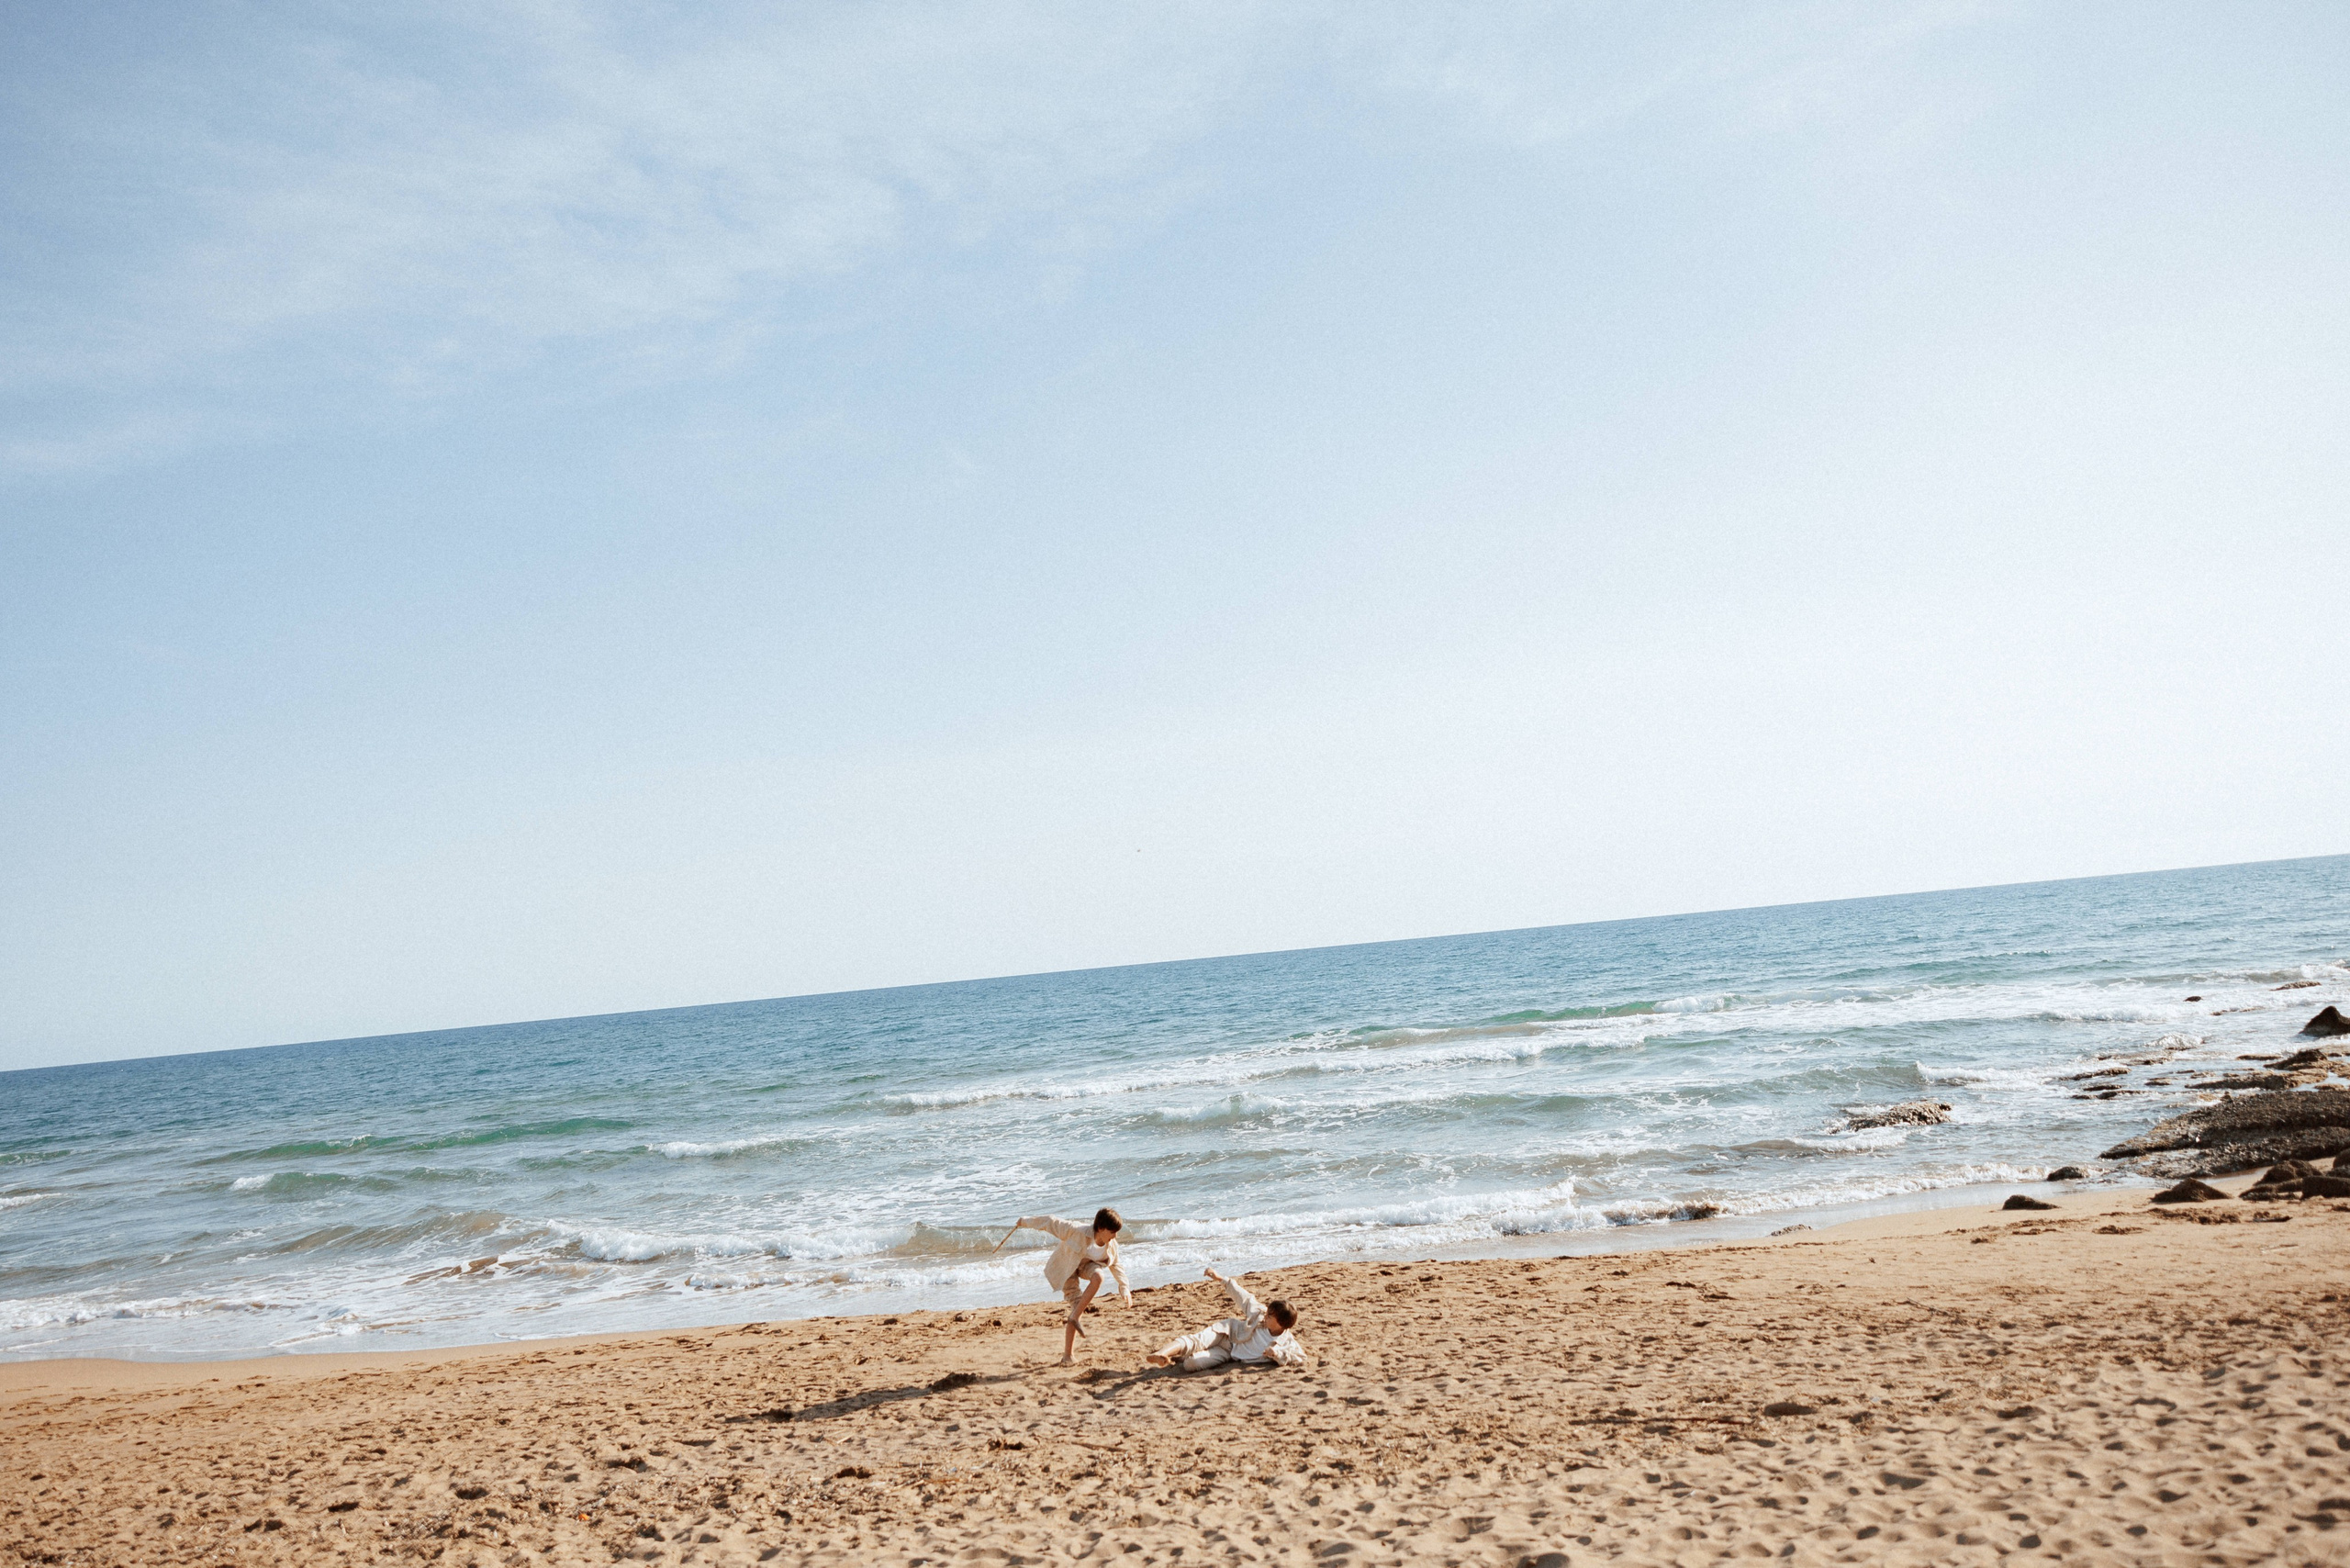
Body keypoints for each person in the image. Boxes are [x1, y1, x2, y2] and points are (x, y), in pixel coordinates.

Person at [1012, 1207, 1131, 1365]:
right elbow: (1051, 1222)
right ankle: (1067, 1355)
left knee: (1098, 1277)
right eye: (1112, 1231)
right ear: (1101, 1228)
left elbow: (1116, 1264)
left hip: (1087, 1266)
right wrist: (1025, 1221)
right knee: (1077, 1307)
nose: (1115, 1236)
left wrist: (1124, 1286)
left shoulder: (1111, 1244)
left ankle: (1074, 1316)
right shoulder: (1077, 1231)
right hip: (1067, 1268)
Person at [1146, 1265, 1304, 1371]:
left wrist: (1277, 1353)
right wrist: (1220, 1278)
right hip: (1227, 1333)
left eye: (1270, 1317)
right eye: (1267, 1313)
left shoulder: (1287, 1342)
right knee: (1197, 1341)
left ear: (1282, 1324)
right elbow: (1243, 1297)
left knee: (1191, 1364)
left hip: (1229, 1354)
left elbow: (1300, 1358)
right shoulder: (1260, 1314)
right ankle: (1162, 1353)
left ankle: (1178, 1356)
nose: (1265, 1317)